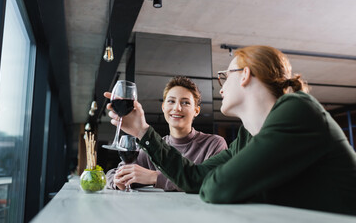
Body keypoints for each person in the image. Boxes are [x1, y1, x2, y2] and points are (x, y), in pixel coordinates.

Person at [105, 45, 356, 215]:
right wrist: (142, 131)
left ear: (244, 75)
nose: (221, 88)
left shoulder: (298, 110)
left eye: (225, 77)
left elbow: (217, 187)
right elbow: (193, 178)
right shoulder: (247, 135)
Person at [105, 76, 228, 191]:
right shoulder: (153, 147)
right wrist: (117, 182)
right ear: (163, 107)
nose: (177, 108)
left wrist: (154, 177)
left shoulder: (213, 144)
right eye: (171, 101)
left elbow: (215, 181)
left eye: (185, 102)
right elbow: (113, 174)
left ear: (196, 110)